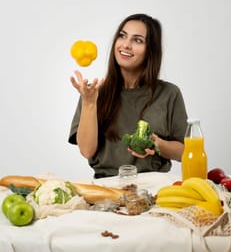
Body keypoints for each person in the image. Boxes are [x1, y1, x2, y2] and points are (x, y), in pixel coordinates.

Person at [68, 13, 188, 178]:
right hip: (107, 185)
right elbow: (87, 150)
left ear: (151, 50)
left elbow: (185, 152)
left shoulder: (169, 93)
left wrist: (157, 145)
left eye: (137, 40)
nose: (126, 45)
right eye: (122, 36)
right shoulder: (93, 92)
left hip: (154, 186)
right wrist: (89, 103)